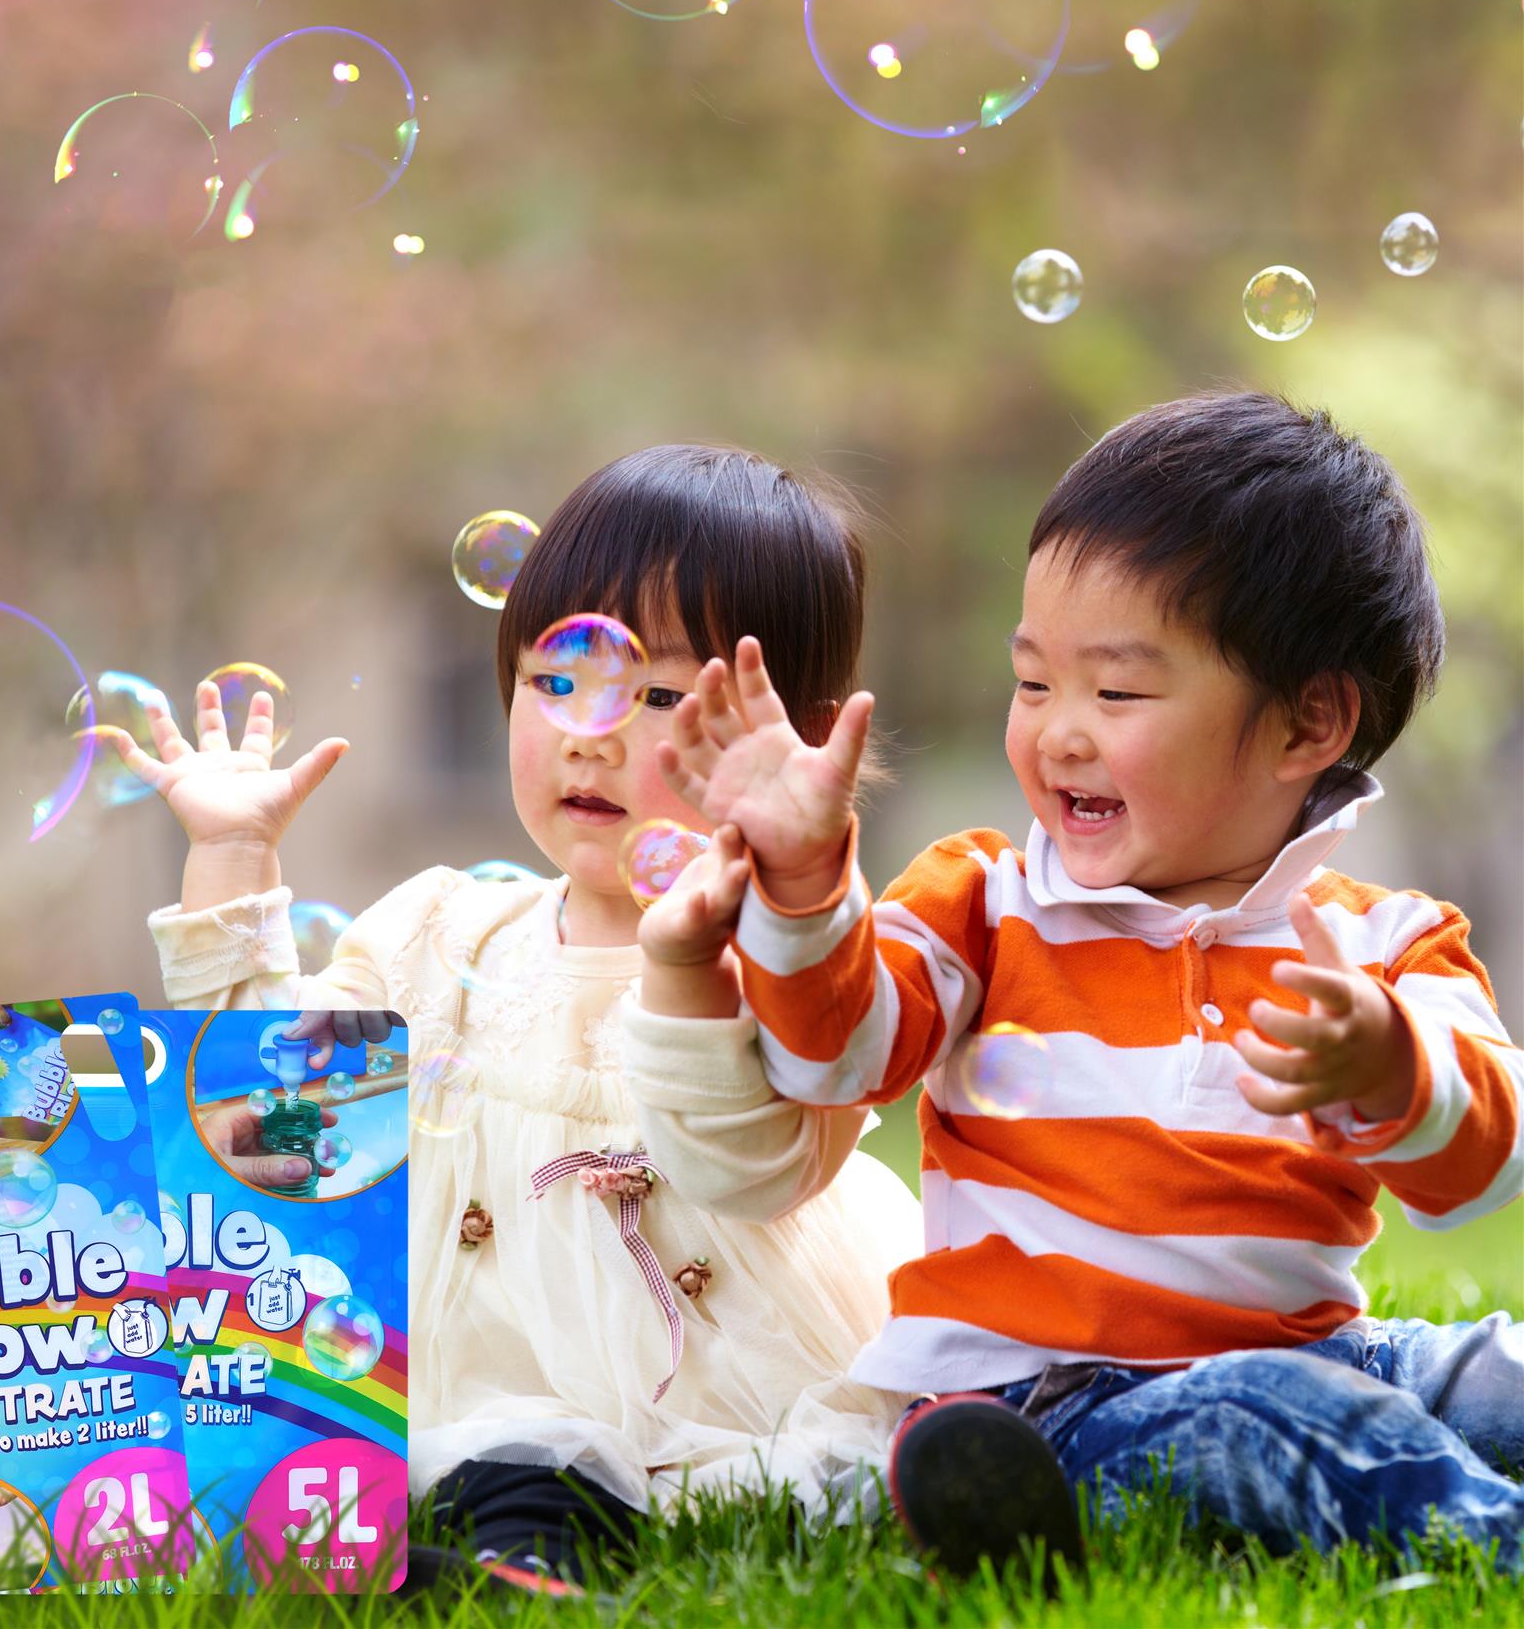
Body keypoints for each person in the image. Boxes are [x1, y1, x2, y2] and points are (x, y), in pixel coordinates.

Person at [633, 392, 1524, 1575]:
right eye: (1034, 682)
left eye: (1115, 693)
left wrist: (1395, 1069)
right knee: (1280, 1424)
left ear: (1310, 721)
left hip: (1320, 1348)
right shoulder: (987, 905)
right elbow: (838, 1054)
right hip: (1047, 1403)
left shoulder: (1386, 946)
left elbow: (1480, 1170)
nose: (1057, 734)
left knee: (1482, 1376)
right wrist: (803, 886)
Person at [121, 445, 919, 1589]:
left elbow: (754, 1168)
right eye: (561, 681)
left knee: (785, 1483)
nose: (592, 735)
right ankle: (515, 1562)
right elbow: (275, 1121)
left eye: (657, 699)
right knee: (505, 1463)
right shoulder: (436, 937)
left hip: (715, 1373)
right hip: (483, 1384)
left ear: (801, 742)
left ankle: (540, 1556)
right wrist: (235, 855)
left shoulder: (799, 960)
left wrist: (702, 963)